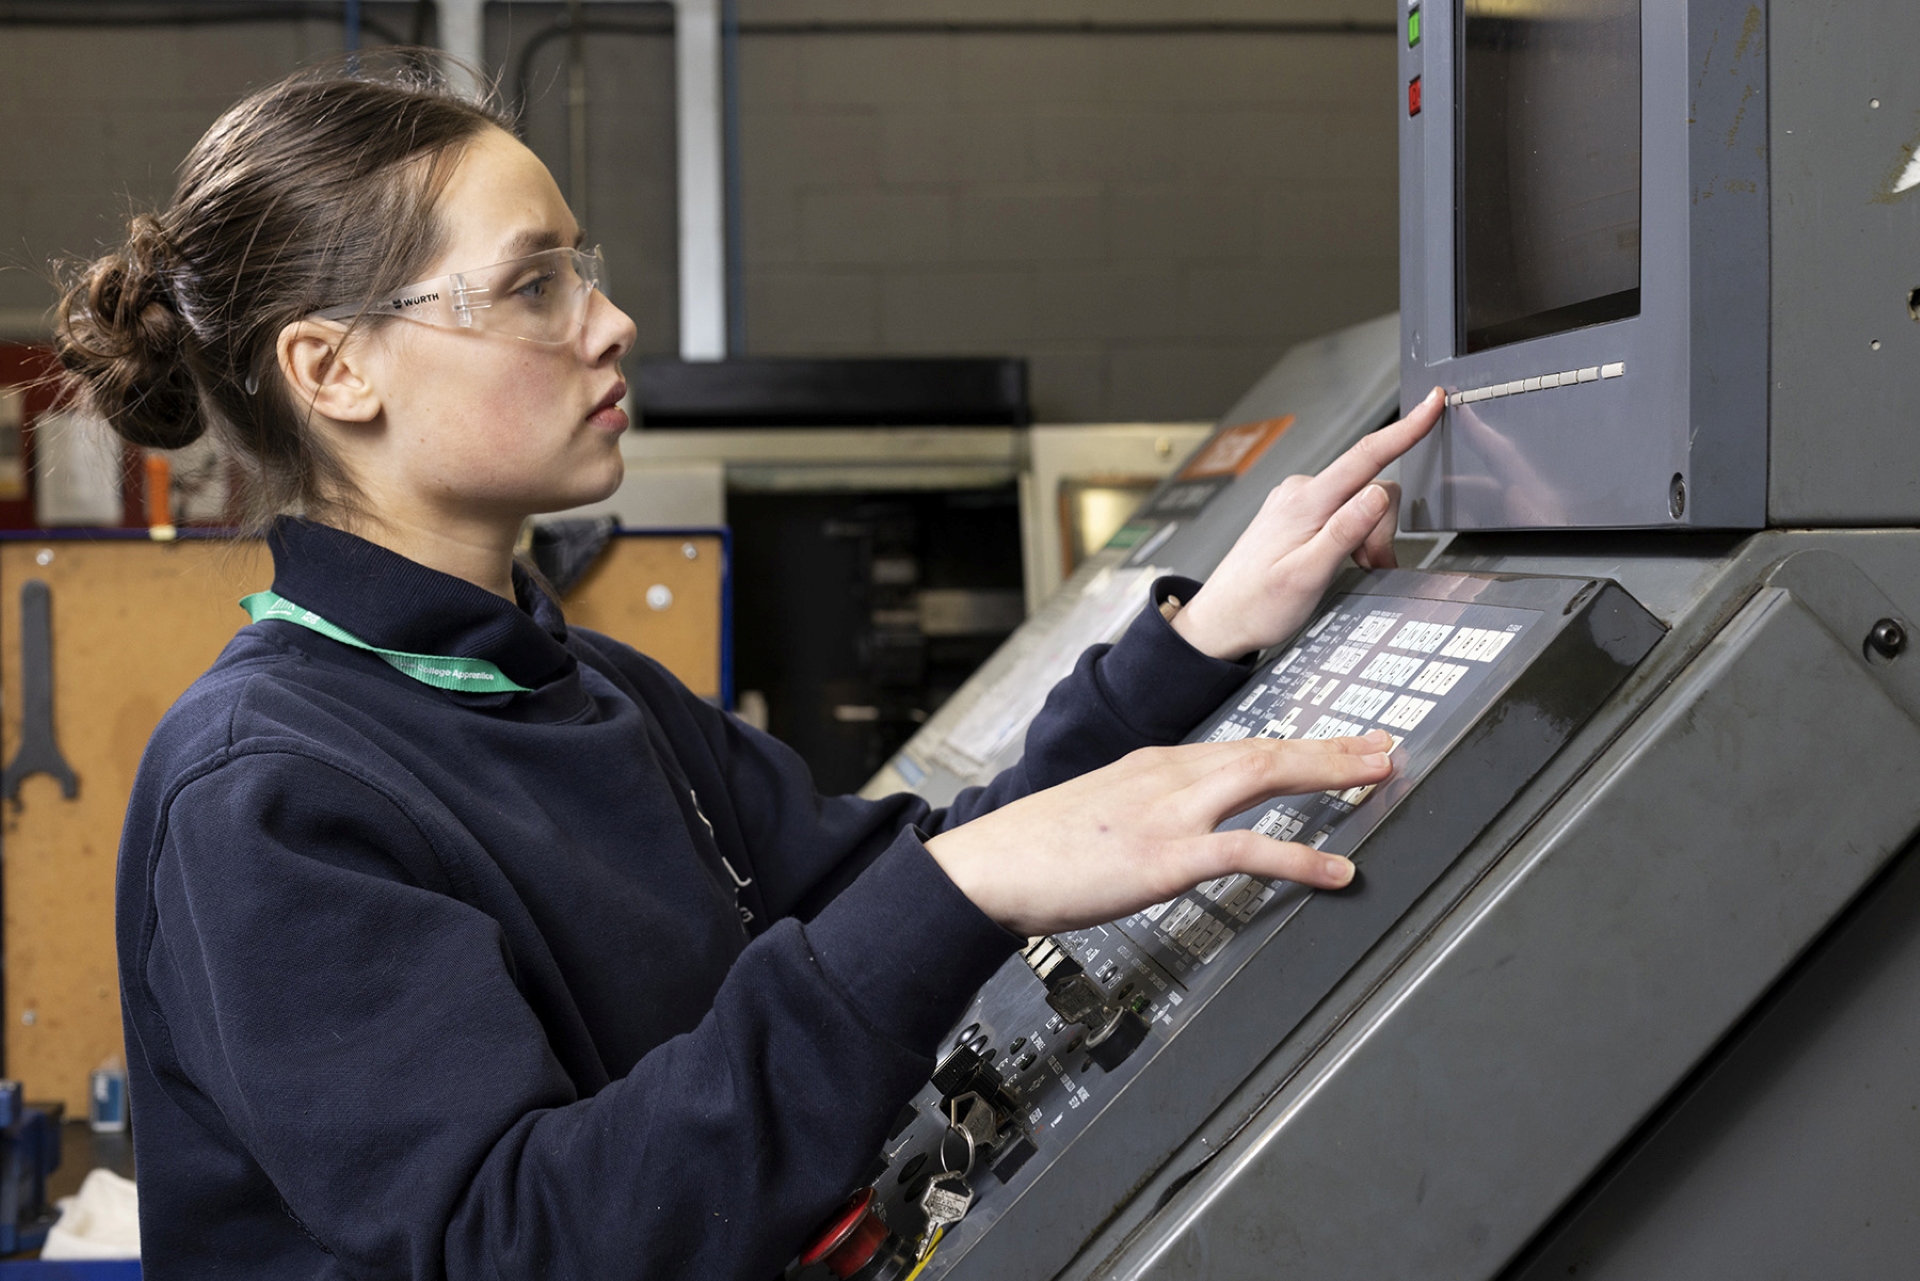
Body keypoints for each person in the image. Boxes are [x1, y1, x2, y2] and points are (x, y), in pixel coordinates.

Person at [55, 59, 1441, 1280]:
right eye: (535, 283)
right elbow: (513, 1240)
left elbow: (930, 885)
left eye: (582, 268)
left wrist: (1197, 644)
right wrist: (950, 890)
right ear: (332, 369)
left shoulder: (582, 684)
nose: (610, 323)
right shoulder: (267, 791)